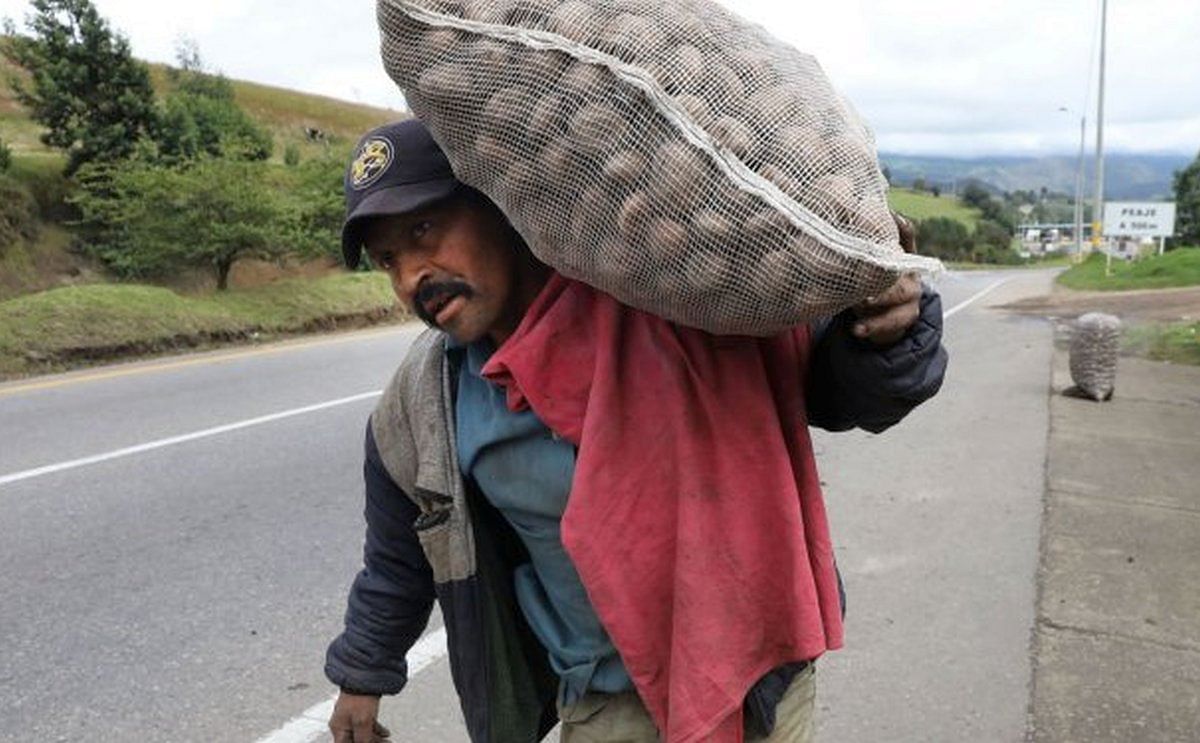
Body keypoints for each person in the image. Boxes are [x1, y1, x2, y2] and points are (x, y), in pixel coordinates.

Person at [325, 119, 948, 743]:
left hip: (761, 680)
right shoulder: (423, 407)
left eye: (423, 231)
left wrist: (888, 327)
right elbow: (398, 558)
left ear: (497, 202)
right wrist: (361, 676)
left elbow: (847, 392)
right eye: (388, 260)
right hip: (606, 705)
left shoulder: (670, 295)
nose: (412, 277)